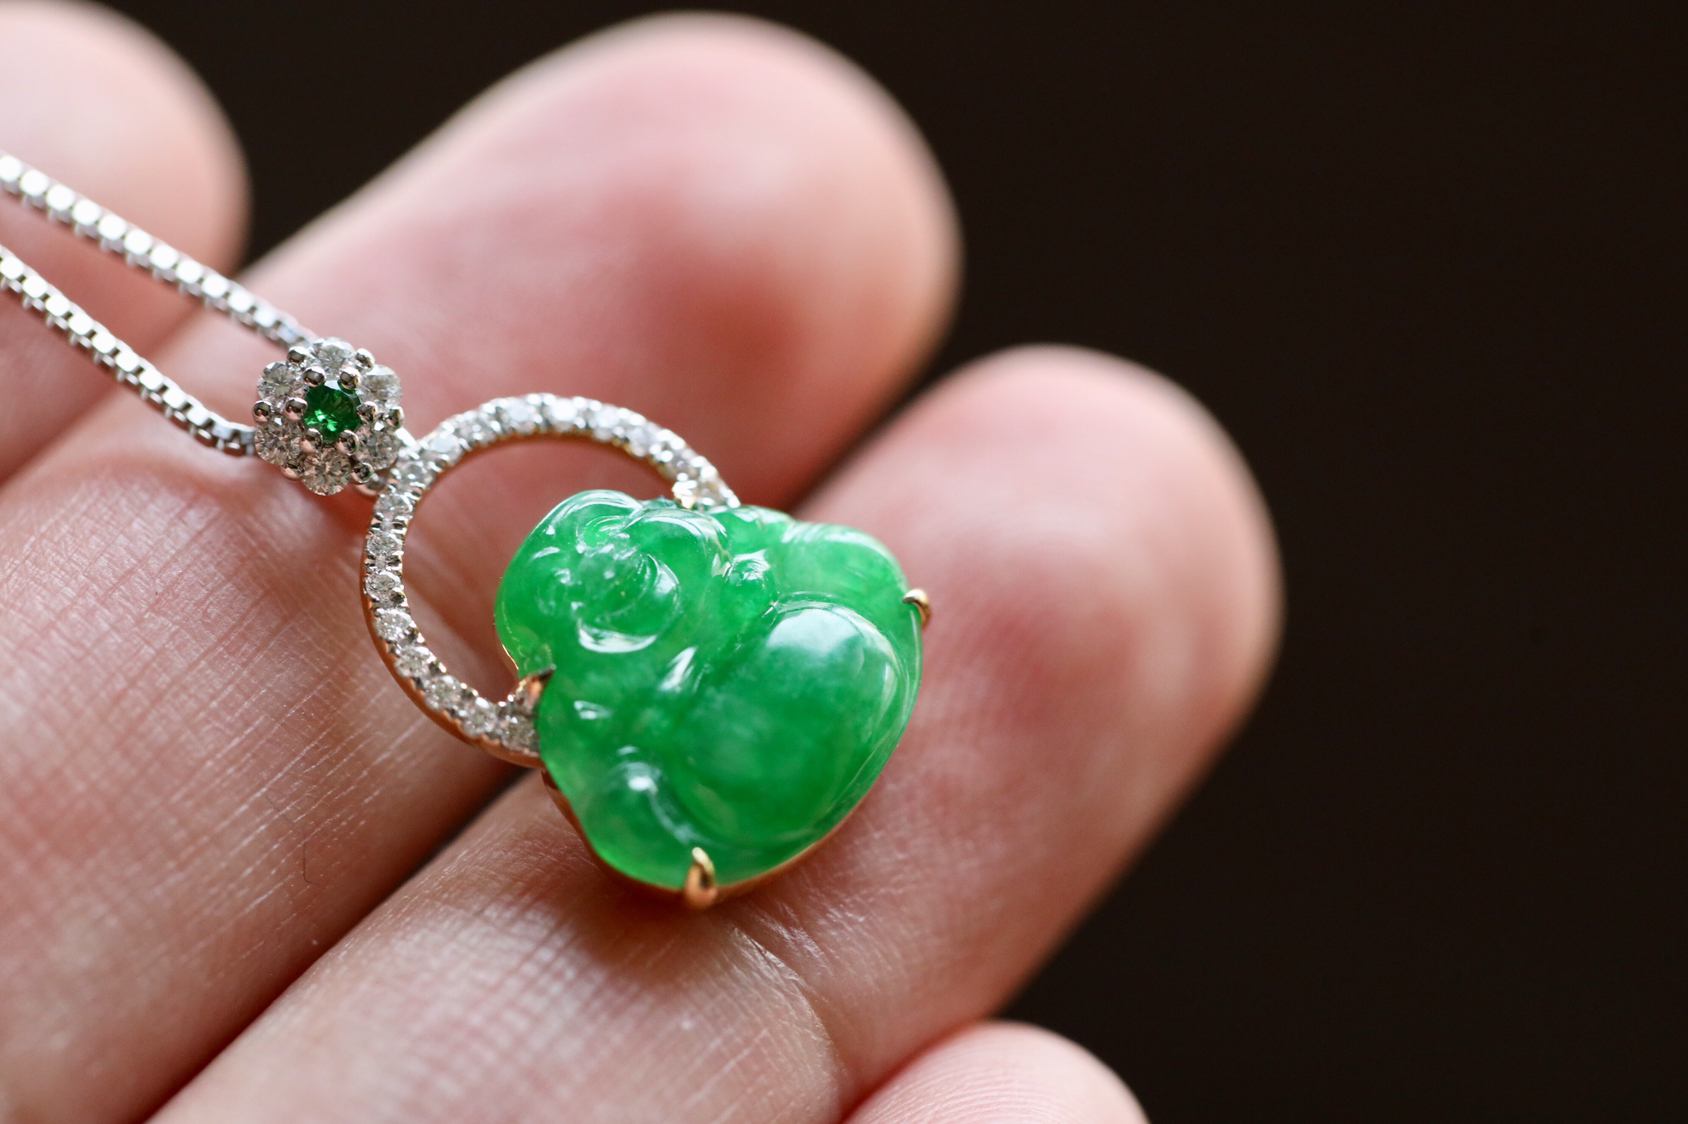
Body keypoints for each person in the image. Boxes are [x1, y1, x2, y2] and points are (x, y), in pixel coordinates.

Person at [0, 3, 1279, 1120]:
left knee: (839, 568)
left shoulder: (725, 557)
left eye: (623, 554)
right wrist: (637, 792)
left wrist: (815, 591)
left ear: (658, 523)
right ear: (545, 658)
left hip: (829, 656)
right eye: (584, 604)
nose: (619, 582)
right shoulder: (586, 717)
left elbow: (810, 558)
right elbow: (612, 786)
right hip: (723, 780)